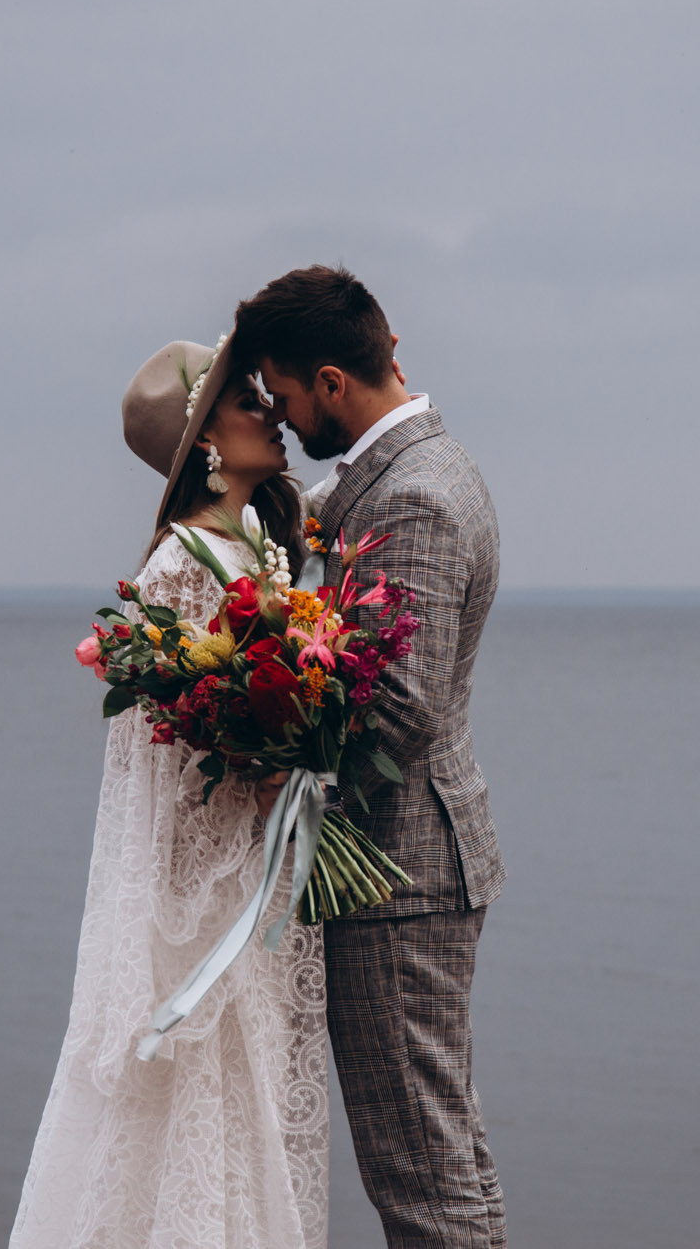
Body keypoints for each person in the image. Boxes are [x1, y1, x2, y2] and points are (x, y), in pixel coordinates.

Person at [8, 336, 328, 1249]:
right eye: (244, 403)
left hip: (256, 882)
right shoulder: (180, 565)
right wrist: (263, 771)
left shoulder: (253, 548)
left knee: (250, 1129)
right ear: (207, 446)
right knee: (199, 1125)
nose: (270, 410)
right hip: (210, 903)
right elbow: (157, 765)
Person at [240, 266, 506, 1248]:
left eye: (280, 392)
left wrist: (261, 747)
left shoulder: (416, 500)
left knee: (420, 1173)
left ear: (332, 383)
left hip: (399, 871)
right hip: (412, 863)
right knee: (444, 1153)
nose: (277, 412)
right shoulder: (389, 479)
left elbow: (396, 712)